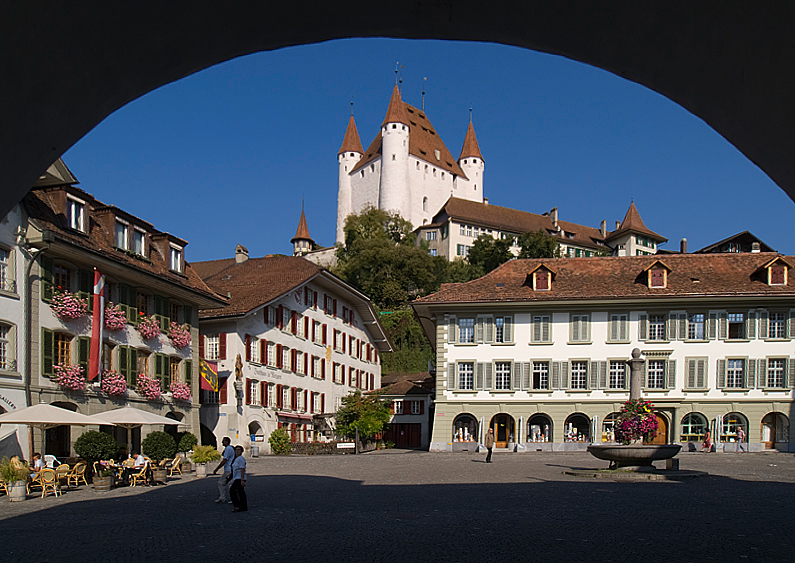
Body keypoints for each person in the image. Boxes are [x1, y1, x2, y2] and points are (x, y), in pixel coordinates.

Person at [212, 437, 234, 503]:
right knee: (223, 483)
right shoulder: (230, 448)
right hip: (229, 468)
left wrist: (217, 468)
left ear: (226, 441)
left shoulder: (228, 449)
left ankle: (229, 498)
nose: (222, 443)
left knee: (225, 483)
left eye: (223, 441)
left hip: (228, 469)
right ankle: (223, 497)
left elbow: (225, 460)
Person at [229, 445, 247, 512]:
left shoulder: (241, 459)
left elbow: (242, 469)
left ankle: (237, 506)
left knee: (232, 490)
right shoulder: (236, 459)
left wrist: (242, 480)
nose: (237, 451)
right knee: (240, 492)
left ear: (241, 451)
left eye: (238, 450)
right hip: (236, 477)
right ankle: (243, 506)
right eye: (236, 450)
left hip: (239, 478)